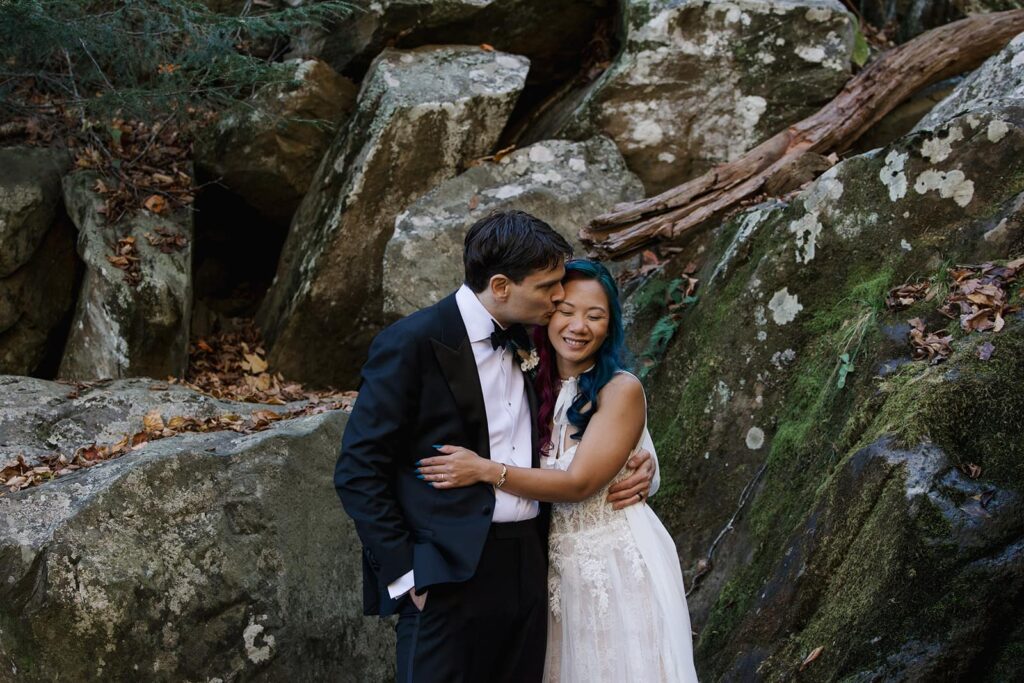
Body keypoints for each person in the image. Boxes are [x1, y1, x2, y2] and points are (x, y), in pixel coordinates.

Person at [335, 212, 656, 683]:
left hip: (532, 566)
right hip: (445, 572)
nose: (559, 297)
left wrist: (641, 465)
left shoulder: (536, 342)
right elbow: (358, 471)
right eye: (549, 287)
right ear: (502, 285)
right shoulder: (411, 343)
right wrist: (407, 577)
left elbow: (583, 427)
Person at [417, 258, 698, 682]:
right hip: (551, 571)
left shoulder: (620, 389)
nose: (578, 326)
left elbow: (579, 481)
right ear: (548, 313)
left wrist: (485, 470)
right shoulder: (526, 383)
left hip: (616, 564)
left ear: (611, 325)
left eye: (595, 315)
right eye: (566, 311)